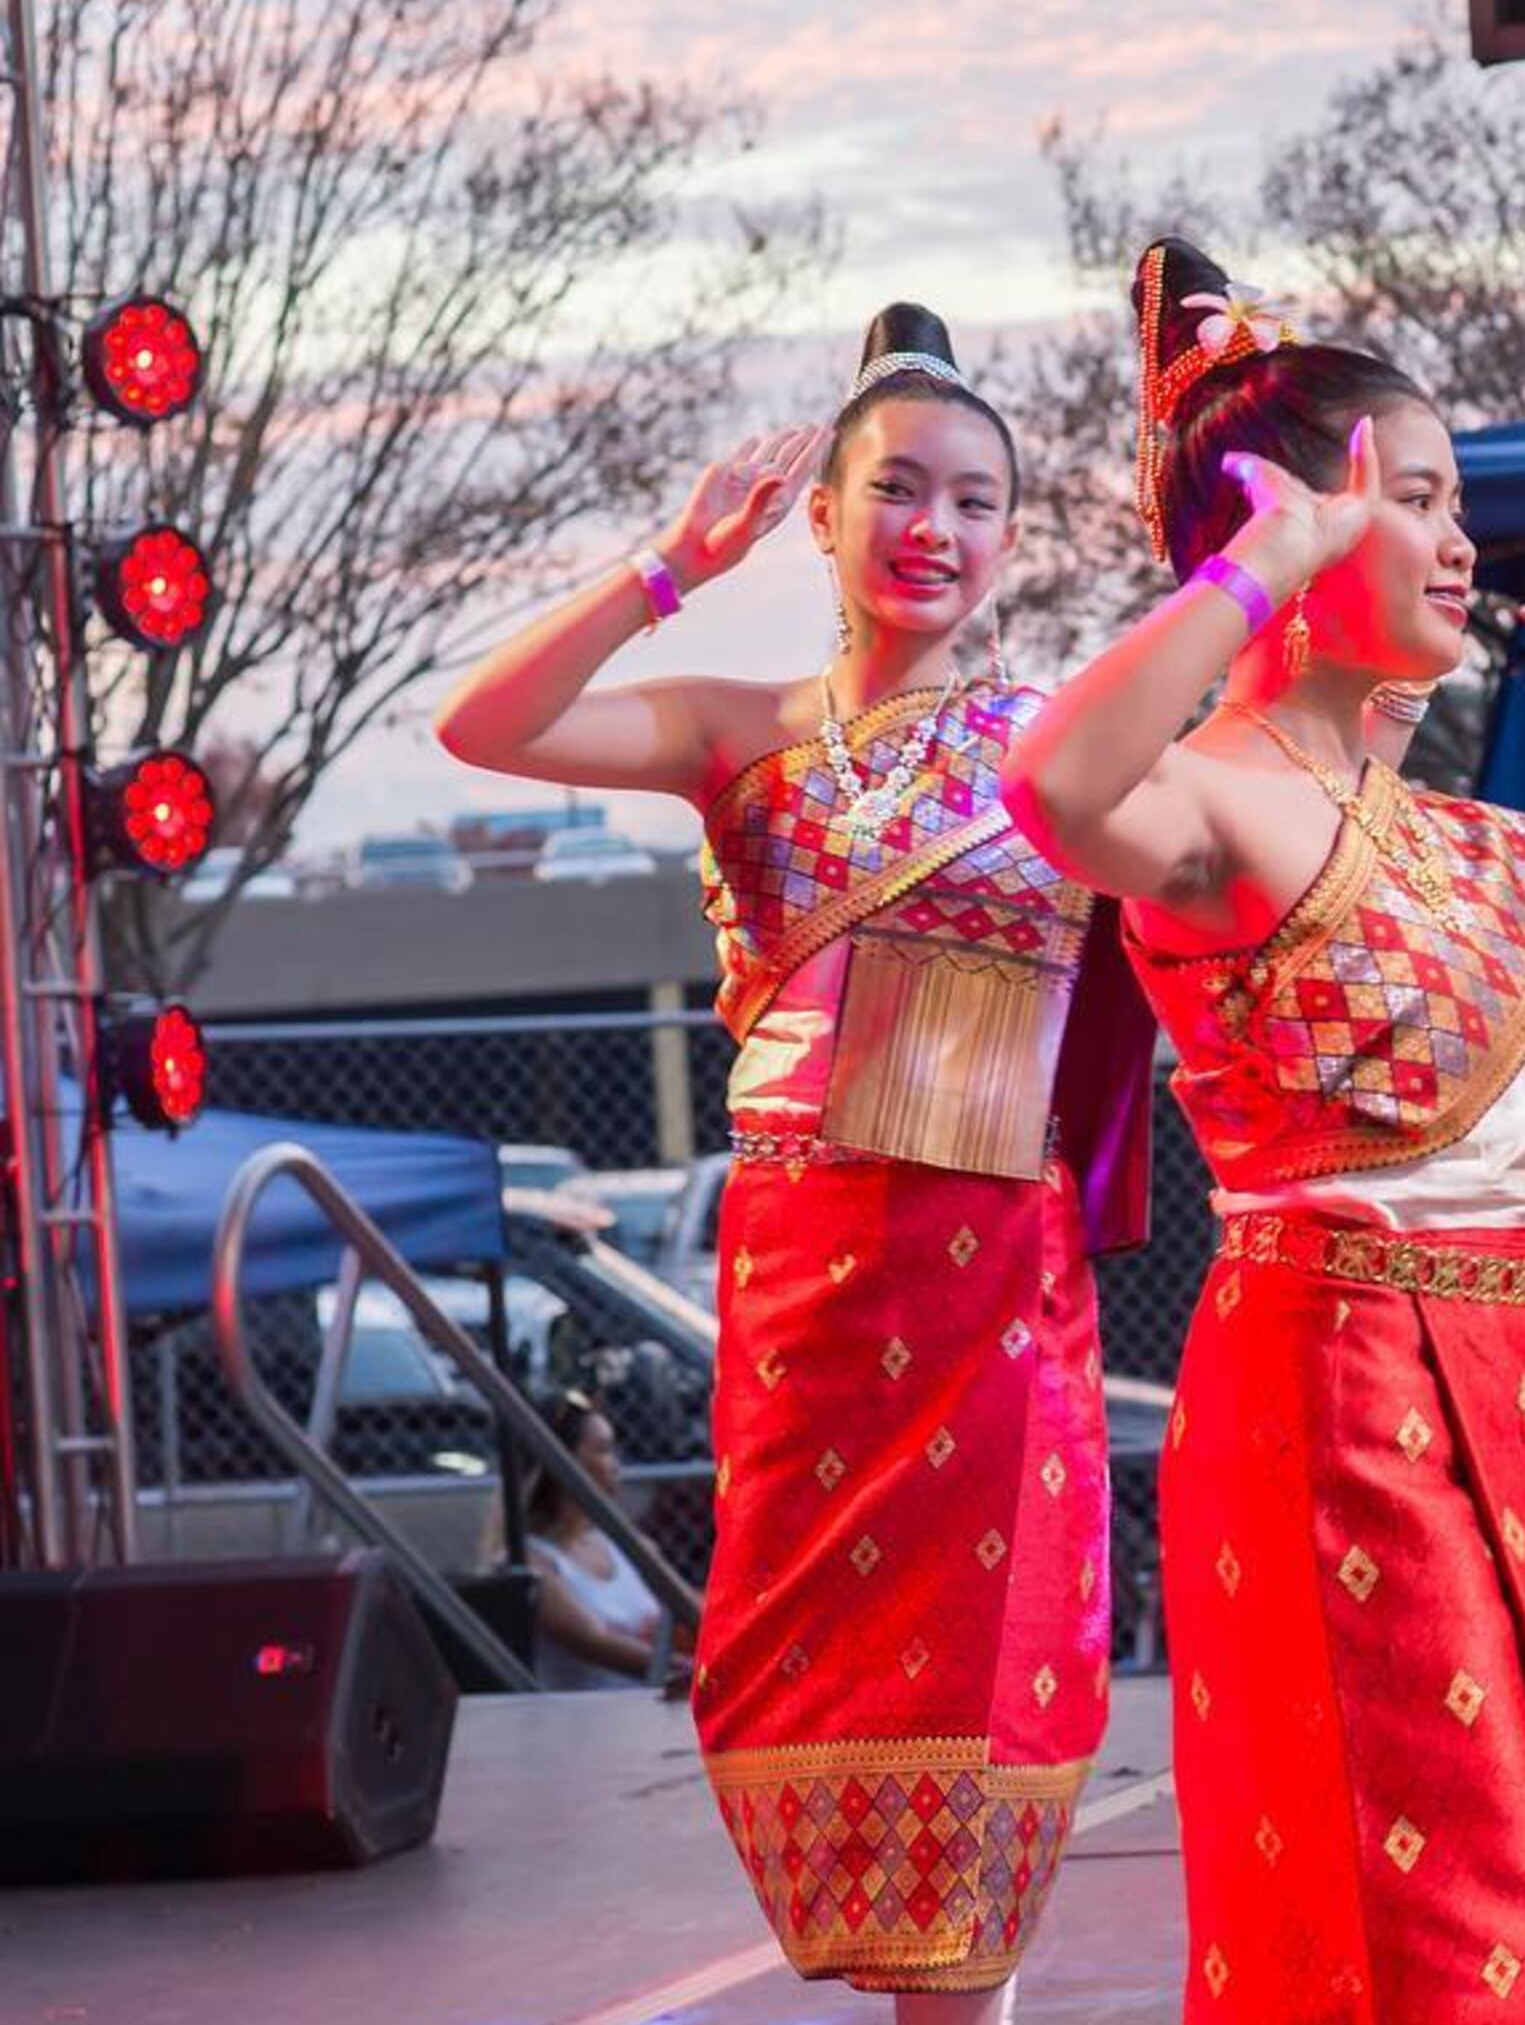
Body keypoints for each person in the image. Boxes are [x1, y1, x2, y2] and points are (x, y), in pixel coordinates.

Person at [998, 237, 1525, 2024]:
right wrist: (1254, 567)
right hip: (1340, 1394)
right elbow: (1053, 786)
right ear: (1284, 521)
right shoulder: (1211, 802)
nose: (1461, 545)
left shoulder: (1474, 845)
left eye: (1457, 507)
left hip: (1520, 1379)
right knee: (1432, 1896)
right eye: (1416, 500)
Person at [437, 305, 1148, 2021]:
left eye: (976, 503)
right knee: (812, 1678)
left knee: (997, 1670)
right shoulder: (734, 726)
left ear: (1011, 536)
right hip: (812, 1280)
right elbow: (484, 726)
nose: (936, 530)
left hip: (991, 1280)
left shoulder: (1064, 748)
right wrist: (663, 572)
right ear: (822, 519)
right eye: (898, 490)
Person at [521, 1388, 671, 1691]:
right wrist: (696, 1670)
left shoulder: (624, 1545)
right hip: (591, 1727)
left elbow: (689, 1607)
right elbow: (595, 1642)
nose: (615, 1463)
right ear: (563, 1460)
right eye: (603, 1450)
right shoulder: (533, 1563)